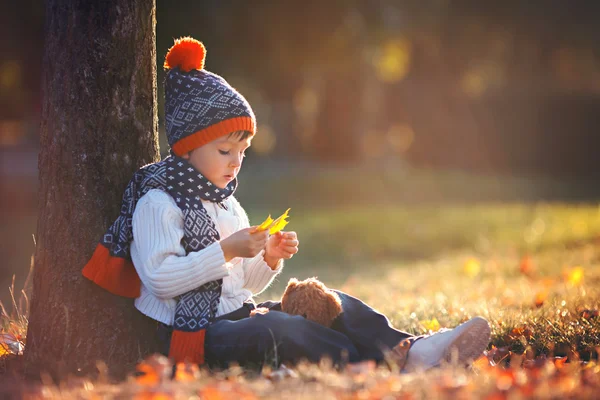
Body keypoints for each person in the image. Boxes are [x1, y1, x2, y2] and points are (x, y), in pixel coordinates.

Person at [82, 37, 491, 372]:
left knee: (324, 299)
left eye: (241, 152)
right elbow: (160, 279)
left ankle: (408, 346)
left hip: (238, 314)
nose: (235, 162)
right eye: (225, 150)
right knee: (279, 329)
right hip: (195, 334)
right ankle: (381, 363)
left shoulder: (226, 205)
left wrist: (268, 260)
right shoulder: (159, 201)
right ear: (188, 149)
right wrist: (225, 250)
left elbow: (241, 286)